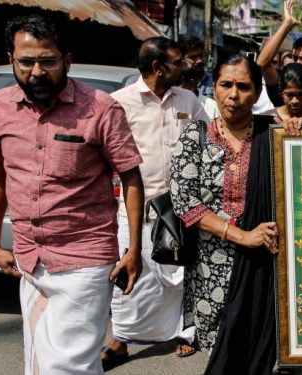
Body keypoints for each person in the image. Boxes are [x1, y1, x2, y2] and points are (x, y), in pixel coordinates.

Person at [0, 14, 145, 374]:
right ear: (12, 60)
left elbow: (131, 176)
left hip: (86, 258)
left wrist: (133, 250)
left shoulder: (101, 108)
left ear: (67, 60)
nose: (37, 72)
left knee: (67, 365)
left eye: (48, 61)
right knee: (40, 359)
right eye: (26, 62)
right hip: (29, 258)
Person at [103, 36, 208, 369]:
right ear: (158, 67)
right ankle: (120, 342)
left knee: (181, 276)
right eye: (178, 62)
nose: (186, 66)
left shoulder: (189, 100)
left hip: (181, 208)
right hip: (135, 211)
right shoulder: (118, 103)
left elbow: (207, 140)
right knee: (133, 278)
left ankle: (184, 333)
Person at [170, 53, 278, 374]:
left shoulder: (273, 135)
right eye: (225, 84)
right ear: (213, 89)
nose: (234, 94)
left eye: (243, 86)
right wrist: (242, 235)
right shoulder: (195, 135)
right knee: (221, 353)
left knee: (258, 350)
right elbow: (184, 200)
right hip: (211, 267)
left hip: (262, 264)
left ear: (257, 93)